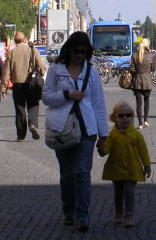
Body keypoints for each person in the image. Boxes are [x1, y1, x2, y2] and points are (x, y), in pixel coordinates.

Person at [42, 31, 108, 232]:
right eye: (76, 51)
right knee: (67, 175)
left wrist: (104, 135)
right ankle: (68, 211)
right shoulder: (56, 69)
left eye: (83, 52)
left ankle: (82, 216)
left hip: (87, 128)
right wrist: (67, 94)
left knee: (82, 173)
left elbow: (98, 104)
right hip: (62, 127)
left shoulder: (92, 73)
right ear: (68, 50)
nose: (79, 55)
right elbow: (46, 98)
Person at [100, 101, 151, 228]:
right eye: (121, 116)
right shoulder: (112, 135)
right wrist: (101, 148)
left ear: (132, 117)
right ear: (115, 117)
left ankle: (129, 215)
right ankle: (118, 213)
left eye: (128, 115)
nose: (125, 118)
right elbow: (106, 149)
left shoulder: (136, 135)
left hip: (132, 169)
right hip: (116, 168)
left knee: (129, 192)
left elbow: (143, 151)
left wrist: (147, 165)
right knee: (118, 193)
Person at [2, 31, 46, 141]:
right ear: (25, 40)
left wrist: (3, 88)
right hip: (31, 83)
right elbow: (41, 65)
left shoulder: (11, 53)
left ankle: (20, 135)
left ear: (15, 41)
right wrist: (41, 73)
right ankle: (33, 124)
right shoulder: (32, 50)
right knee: (33, 105)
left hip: (17, 85)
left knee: (20, 109)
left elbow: (6, 72)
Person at [131, 39, 156, 129]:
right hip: (147, 81)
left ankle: (140, 123)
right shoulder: (151, 55)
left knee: (138, 103)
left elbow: (132, 69)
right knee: (147, 101)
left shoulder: (134, 55)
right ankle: (145, 120)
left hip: (137, 80)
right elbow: (153, 69)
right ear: (147, 45)